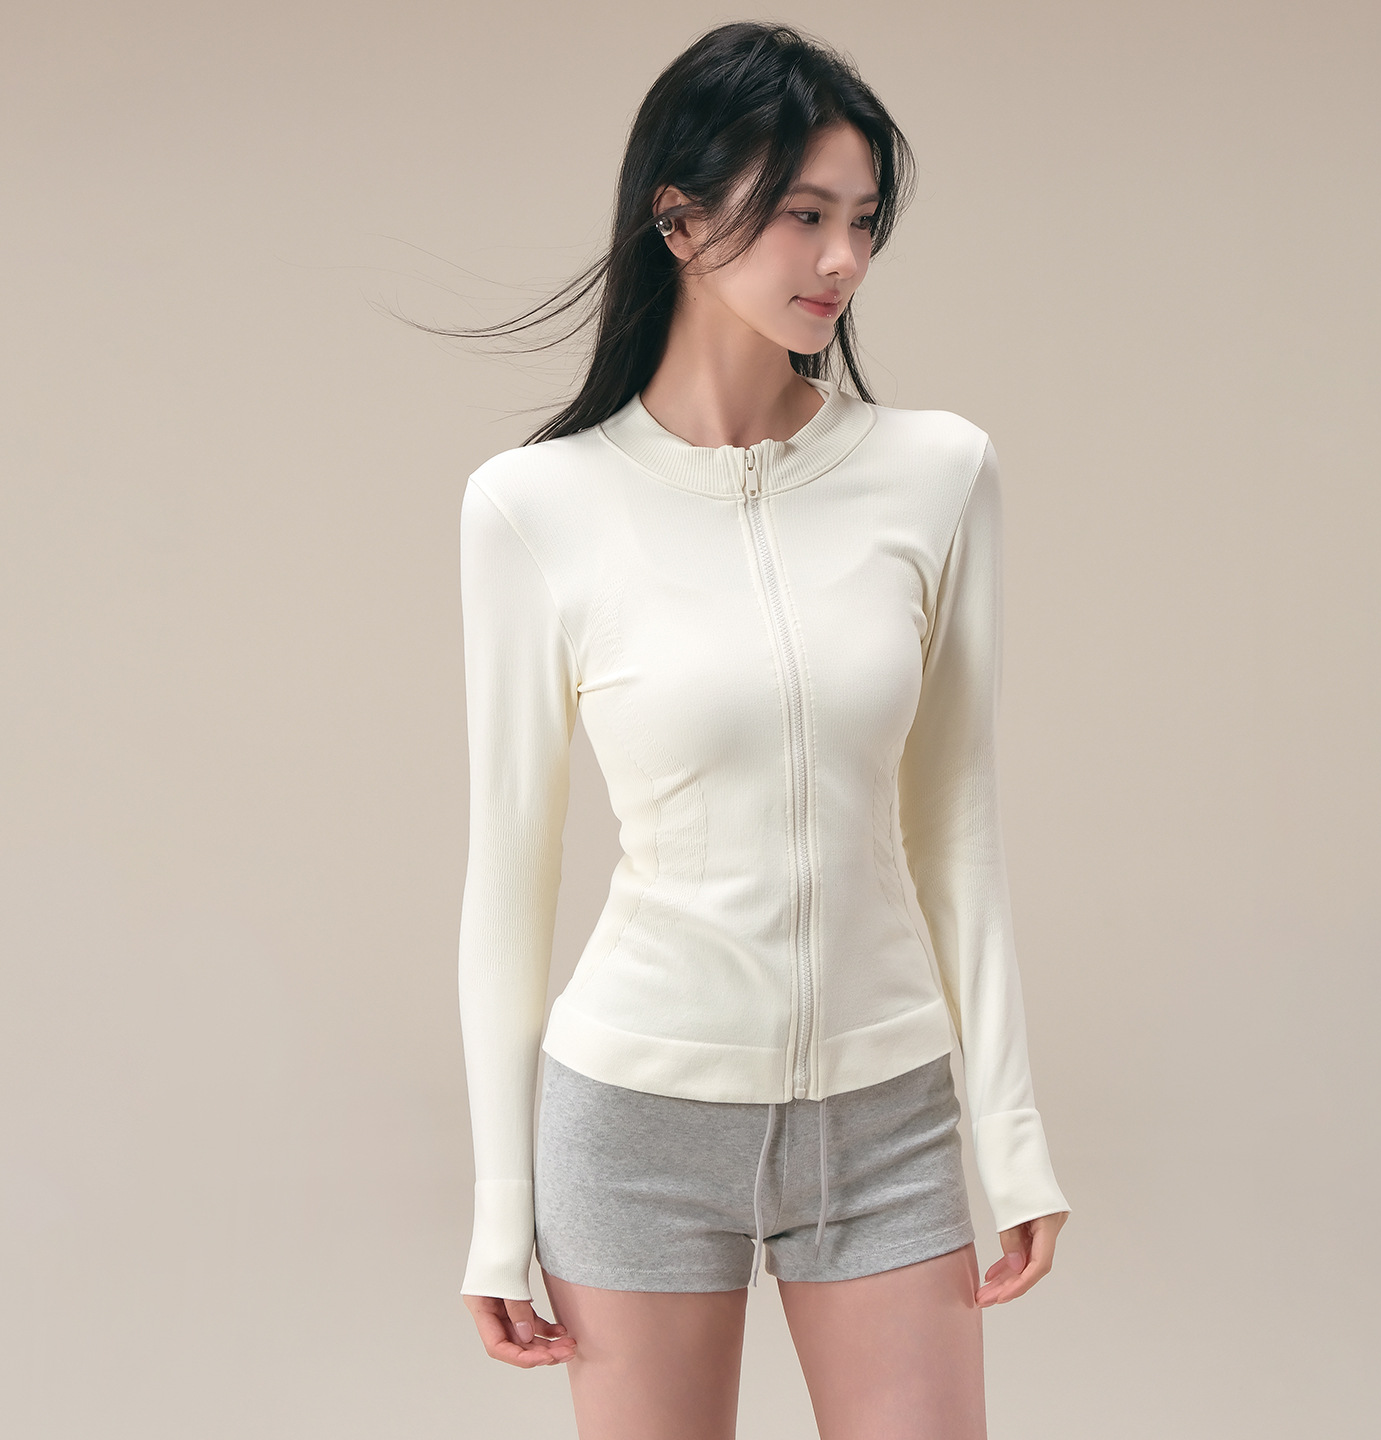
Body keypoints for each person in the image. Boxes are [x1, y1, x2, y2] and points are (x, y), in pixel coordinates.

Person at [448, 21, 1069, 1440]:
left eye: (864, 221)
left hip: (886, 1113)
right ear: (678, 219)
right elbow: (509, 876)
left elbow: (956, 832)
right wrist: (498, 1206)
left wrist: (1013, 1135)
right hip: (635, 1115)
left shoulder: (937, 475)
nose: (842, 259)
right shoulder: (533, 509)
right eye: (802, 214)